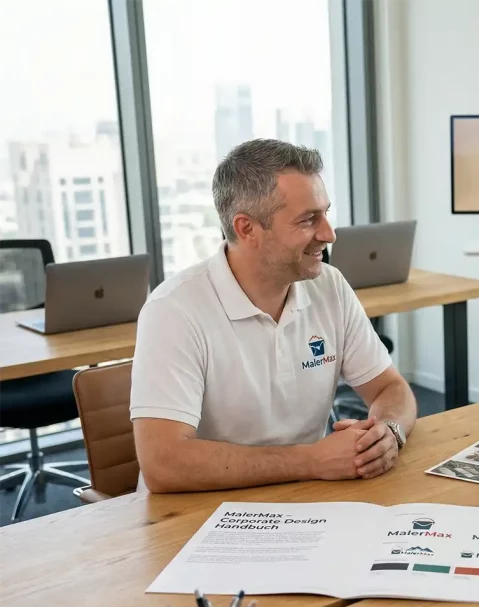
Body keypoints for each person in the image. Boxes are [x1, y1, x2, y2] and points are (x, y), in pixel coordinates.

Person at [130, 139, 417, 493]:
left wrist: (388, 431)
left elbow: (391, 388)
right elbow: (163, 462)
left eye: (326, 213)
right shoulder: (173, 310)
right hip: (199, 515)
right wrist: (311, 460)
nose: (329, 234)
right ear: (246, 228)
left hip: (304, 496)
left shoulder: (329, 286)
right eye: (308, 219)